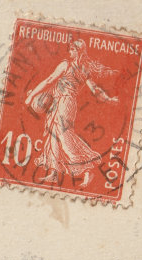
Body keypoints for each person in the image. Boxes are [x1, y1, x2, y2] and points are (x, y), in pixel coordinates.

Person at [24, 39, 119, 188]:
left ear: (79, 51)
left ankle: (88, 169)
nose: (70, 52)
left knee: (65, 136)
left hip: (64, 103)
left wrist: (31, 96)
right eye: (70, 49)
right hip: (62, 102)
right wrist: (108, 99)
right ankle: (54, 173)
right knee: (52, 134)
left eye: (73, 50)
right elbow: (95, 90)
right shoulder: (83, 70)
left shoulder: (66, 65)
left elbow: (49, 80)